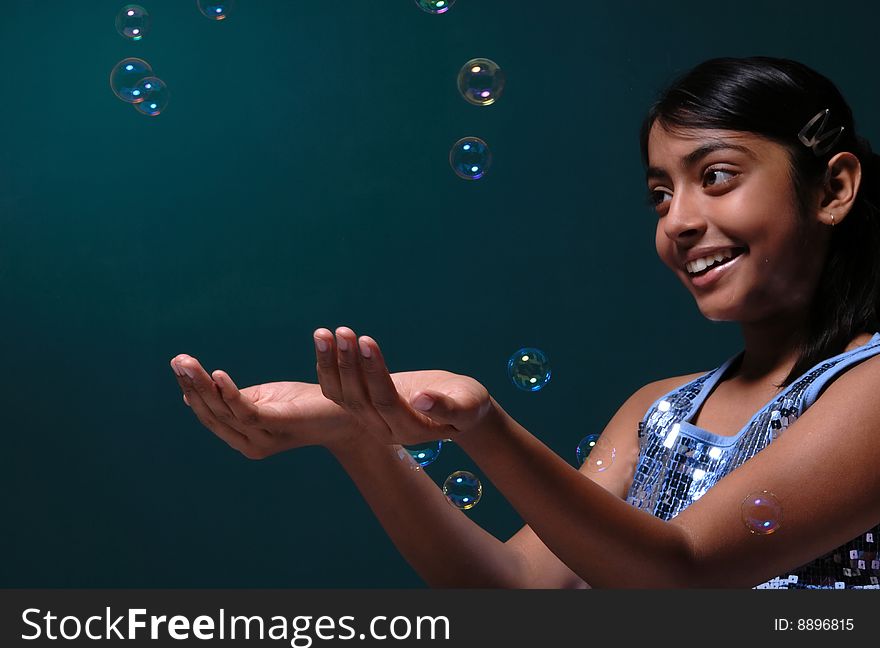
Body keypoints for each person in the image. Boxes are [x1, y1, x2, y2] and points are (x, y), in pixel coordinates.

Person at [169, 56, 880, 588]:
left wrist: (485, 424)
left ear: (835, 188)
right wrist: (356, 436)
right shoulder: (656, 411)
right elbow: (518, 590)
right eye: (659, 195)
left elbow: (683, 576)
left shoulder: (870, 389)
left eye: (716, 176)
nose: (681, 221)